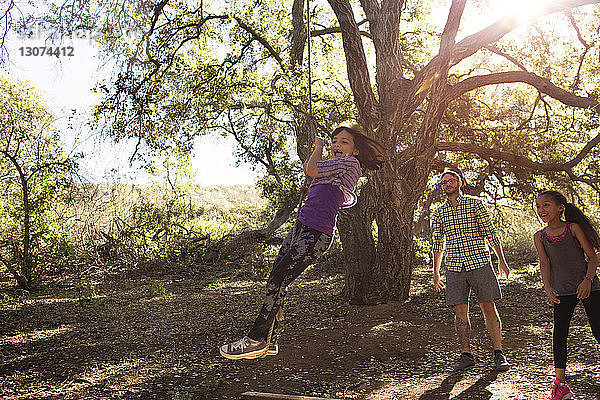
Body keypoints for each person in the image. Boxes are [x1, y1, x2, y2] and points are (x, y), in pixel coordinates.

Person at [219, 122, 386, 360]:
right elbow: (316, 177)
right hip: (301, 229)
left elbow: (311, 169)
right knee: (277, 280)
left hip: (317, 234)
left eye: (344, 142)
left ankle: (254, 340)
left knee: (278, 280)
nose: (336, 145)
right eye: (334, 141)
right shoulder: (335, 167)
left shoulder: (350, 163)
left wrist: (316, 146)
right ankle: (269, 340)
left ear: (356, 150)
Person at [431, 170, 511, 372]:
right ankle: (466, 354)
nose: (447, 185)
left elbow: (490, 233)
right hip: (455, 267)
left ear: (460, 182)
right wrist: (436, 272)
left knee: (488, 307)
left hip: (479, 263)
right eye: (444, 183)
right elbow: (438, 243)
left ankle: (498, 353)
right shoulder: (439, 212)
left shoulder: (475, 204)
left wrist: (501, 260)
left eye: (450, 181)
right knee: (459, 312)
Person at [533, 190, 600, 400]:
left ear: (560, 207)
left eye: (546, 205)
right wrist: (547, 286)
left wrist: (587, 281)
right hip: (562, 290)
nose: (541, 210)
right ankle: (560, 384)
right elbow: (544, 263)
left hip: (588, 286)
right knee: (559, 335)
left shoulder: (573, 228)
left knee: (599, 330)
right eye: (538, 206)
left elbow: (592, 258)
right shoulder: (540, 236)